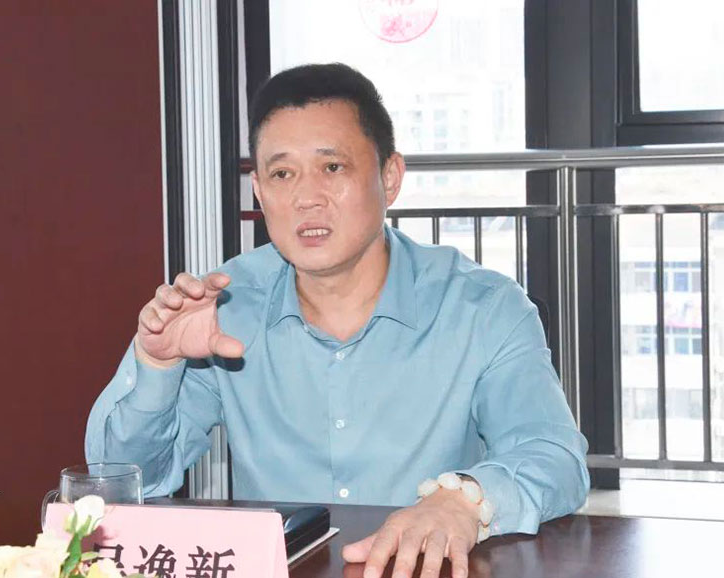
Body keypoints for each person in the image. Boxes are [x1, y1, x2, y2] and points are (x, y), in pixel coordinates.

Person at [86, 63, 589, 578]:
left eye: (332, 167)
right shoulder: (222, 308)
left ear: (389, 177)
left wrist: (466, 500)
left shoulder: (483, 307)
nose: (307, 198)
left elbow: (554, 457)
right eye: (282, 174)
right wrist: (157, 366)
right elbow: (122, 488)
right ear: (259, 191)